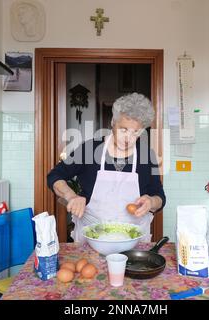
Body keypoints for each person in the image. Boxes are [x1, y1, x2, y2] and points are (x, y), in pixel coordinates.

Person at [47, 93, 166, 243]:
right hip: (91, 238)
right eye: (123, 129)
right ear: (113, 122)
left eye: (136, 132)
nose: (128, 138)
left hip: (133, 241)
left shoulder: (147, 156)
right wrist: (72, 196)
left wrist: (152, 201)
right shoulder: (89, 150)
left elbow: (159, 196)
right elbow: (55, 176)